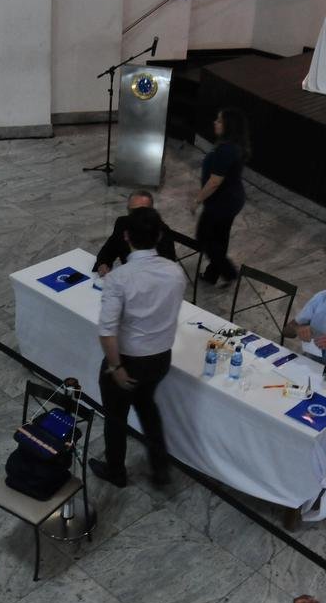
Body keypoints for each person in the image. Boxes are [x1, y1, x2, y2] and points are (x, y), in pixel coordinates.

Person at [89, 207, 185, 488]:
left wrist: (115, 366)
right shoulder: (175, 272)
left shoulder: (121, 277)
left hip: (129, 360)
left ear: (127, 236)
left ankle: (116, 471)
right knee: (147, 407)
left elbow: (107, 331)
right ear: (159, 236)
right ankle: (160, 469)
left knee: (116, 418)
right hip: (160, 358)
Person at [190, 107, 249, 286]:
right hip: (230, 200)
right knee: (220, 237)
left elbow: (215, 181)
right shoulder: (231, 147)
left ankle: (228, 272)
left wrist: (197, 200)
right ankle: (212, 274)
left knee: (204, 236)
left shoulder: (227, 150)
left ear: (228, 126)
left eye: (219, 121)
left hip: (223, 202)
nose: (215, 123)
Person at [93, 190, 177, 275]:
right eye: (133, 211)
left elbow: (168, 264)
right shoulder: (122, 223)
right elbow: (110, 248)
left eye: (142, 211)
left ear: (151, 211)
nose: (136, 217)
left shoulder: (162, 230)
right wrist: (103, 263)